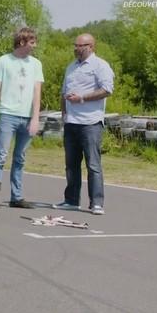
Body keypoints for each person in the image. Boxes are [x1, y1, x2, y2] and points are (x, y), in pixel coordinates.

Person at [52, 33, 114, 215]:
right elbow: (64, 92)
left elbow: (106, 90)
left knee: (93, 164)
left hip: (91, 122)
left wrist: (82, 98)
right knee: (71, 165)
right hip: (71, 122)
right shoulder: (71, 67)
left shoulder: (100, 66)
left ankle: (96, 203)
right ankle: (71, 200)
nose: (76, 49)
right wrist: (64, 113)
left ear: (91, 47)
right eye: (75, 45)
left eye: (80, 46)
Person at [0, 27, 43, 209]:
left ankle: (16, 196)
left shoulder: (36, 64)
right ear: (22, 42)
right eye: (32, 42)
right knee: (1, 156)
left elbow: (37, 91)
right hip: (8, 115)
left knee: (20, 157)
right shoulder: (3, 61)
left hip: (27, 117)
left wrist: (35, 118)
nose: (35, 46)